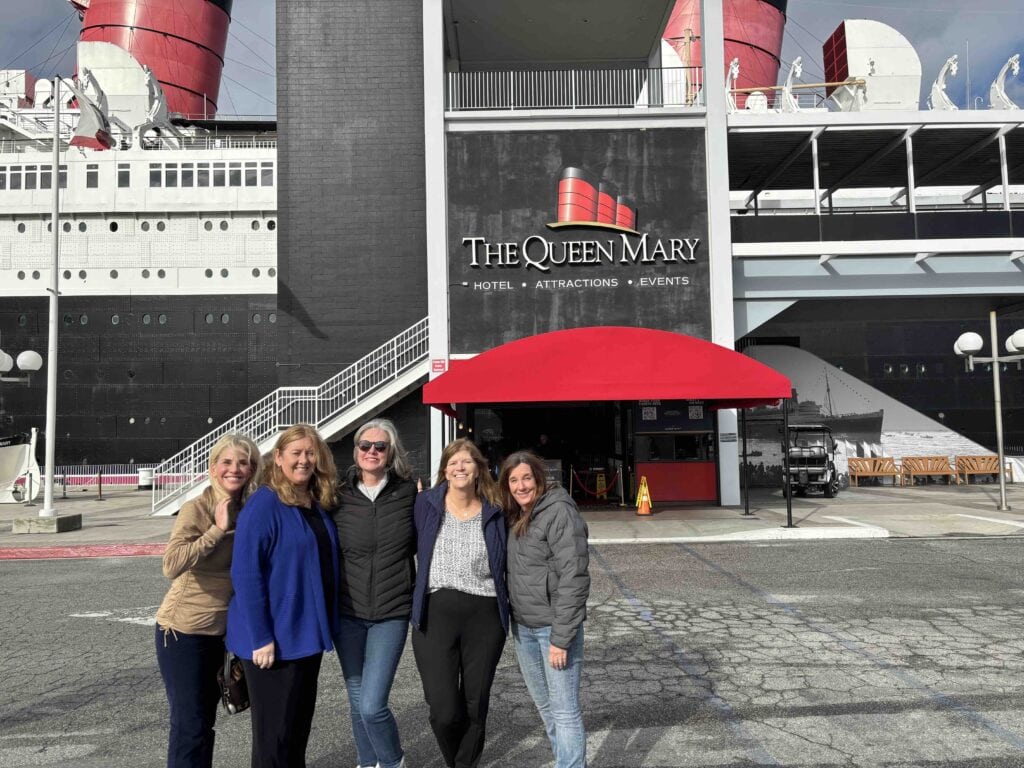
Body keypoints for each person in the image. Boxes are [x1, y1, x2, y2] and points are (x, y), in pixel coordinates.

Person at [226, 424, 340, 768]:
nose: (304, 460)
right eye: (296, 453)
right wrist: (261, 637)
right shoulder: (264, 504)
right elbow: (245, 575)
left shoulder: (314, 502)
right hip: (273, 641)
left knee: (295, 732)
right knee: (273, 739)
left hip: (304, 638)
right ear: (278, 458)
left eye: (310, 453)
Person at [155, 432, 261, 768]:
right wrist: (216, 530)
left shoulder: (251, 508)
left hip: (222, 633)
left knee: (207, 723)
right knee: (191, 724)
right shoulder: (197, 508)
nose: (235, 469)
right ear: (213, 468)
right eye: (227, 462)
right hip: (183, 632)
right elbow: (171, 565)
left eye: (243, 462)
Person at [411, 438, 509, 768]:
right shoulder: (425, 504)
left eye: (467, 462)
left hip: (485, 614)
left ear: (479, 469)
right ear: (445, 471)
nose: (460, 467)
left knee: (475, 701)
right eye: (453, 463)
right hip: (435, 612)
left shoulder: (496, 511)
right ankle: (457, 758)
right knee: (443, 709)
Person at [332, 419, 417, 768]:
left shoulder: (409, 493)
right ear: (355, 451)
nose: (372, 451)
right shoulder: (338, 495)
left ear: (390, 452)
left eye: (379, 446)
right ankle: (367, 762)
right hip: (347, 612)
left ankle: (393, 760)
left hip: (390, 611)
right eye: (365, 445)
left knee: (371, 703)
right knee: (356, 702)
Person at [499, 451, 590, 768]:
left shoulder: (558, 512)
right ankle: (564, 761)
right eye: (513, 480)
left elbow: (574, 576)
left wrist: (561, 638)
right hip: (524, 629)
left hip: (553, 630)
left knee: (564, 711)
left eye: (526, 478)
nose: (521, 486)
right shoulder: (516, 514)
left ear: (539, 478)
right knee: (547, 708)